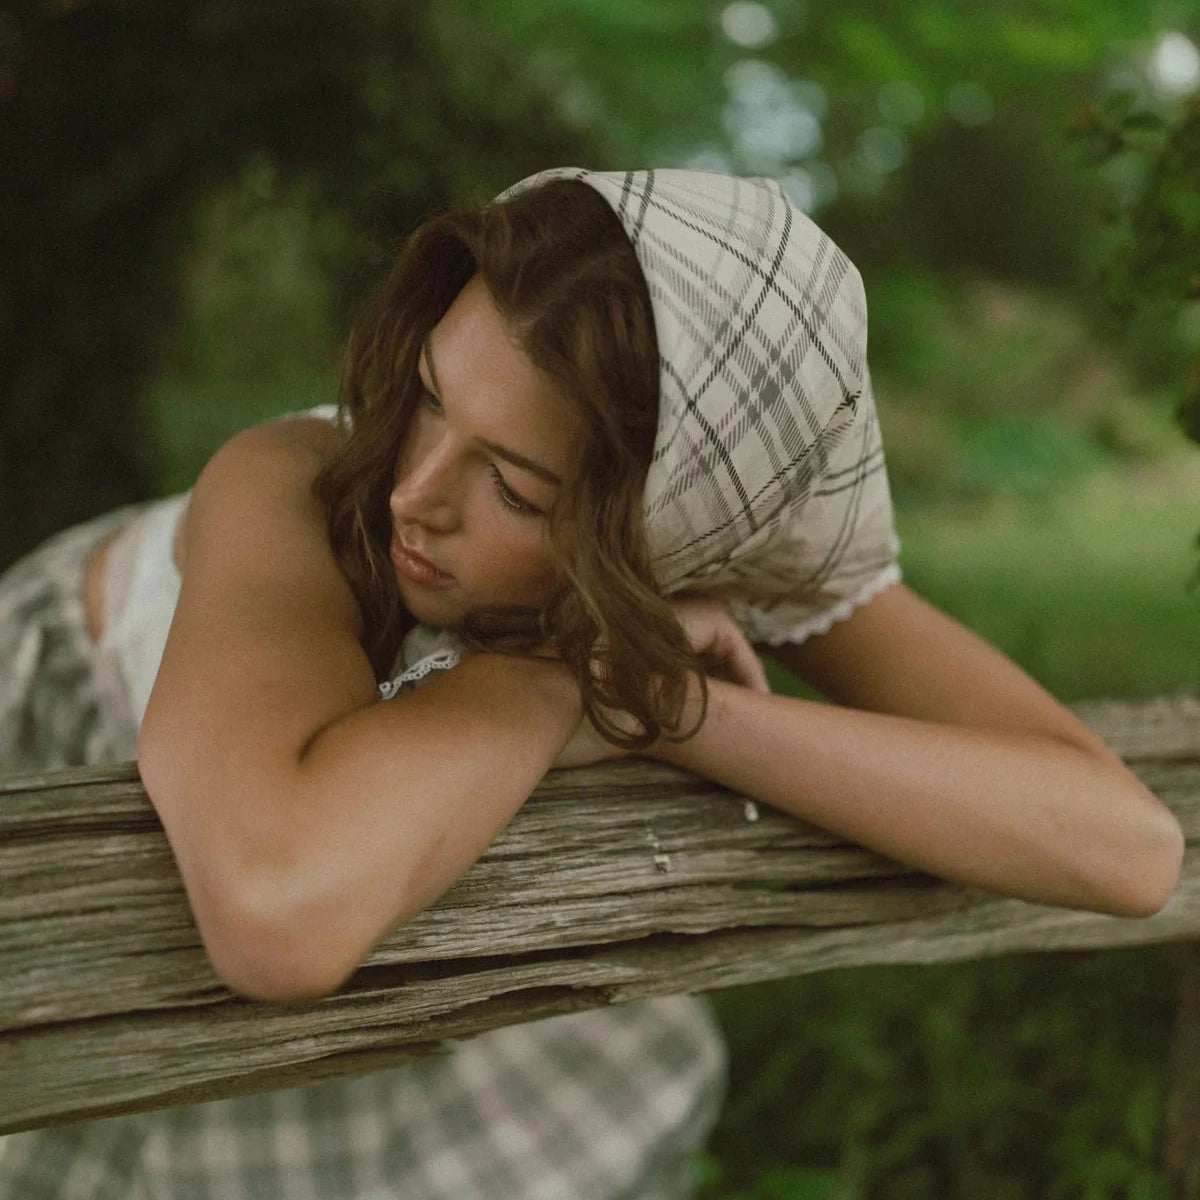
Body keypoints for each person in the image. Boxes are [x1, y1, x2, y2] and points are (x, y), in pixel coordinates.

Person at [0, 167, 1182, 1199]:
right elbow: (274, 912)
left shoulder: (731, 521)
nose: (416, 491)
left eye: (515, 489)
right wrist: (568, 682)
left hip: (388, 850)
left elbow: (1121, 846)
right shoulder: (296, 485)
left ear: (665, 532)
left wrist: (683, 713)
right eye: (426, 396)